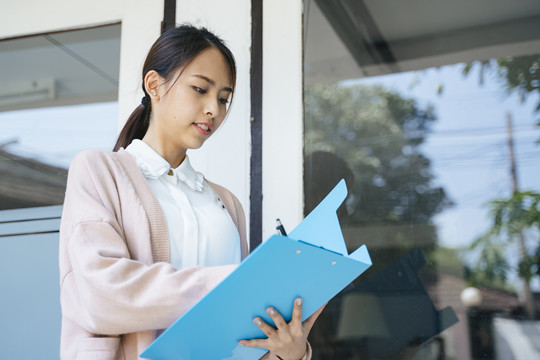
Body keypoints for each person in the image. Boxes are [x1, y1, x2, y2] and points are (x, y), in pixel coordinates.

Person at [59, 24, 323, 360]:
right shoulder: (99, 172)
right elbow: (103, 295)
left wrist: (289, 351)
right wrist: (242, 284)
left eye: (224, 98)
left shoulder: (227, 205)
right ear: (154, 85)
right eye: (200, 89)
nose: (214, 108)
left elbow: (243, 336)